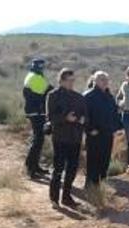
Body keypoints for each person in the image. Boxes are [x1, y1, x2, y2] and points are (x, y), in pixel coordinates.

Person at [46, 68, 87, 208]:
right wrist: (65, 118)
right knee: (58, 169)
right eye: (70, 80)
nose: (72, 83)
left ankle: (67, 197)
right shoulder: (53, 95)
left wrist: (82, 119)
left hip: (75, 138)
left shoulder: (79, 97)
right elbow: (51, 117)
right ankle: (54, 199)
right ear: (61, 80)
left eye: (73, 80)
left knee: (72, 169)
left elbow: (85, 115)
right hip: (60, 137)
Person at [83, 71, 123, 188]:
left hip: (108, 133)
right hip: (94, 134)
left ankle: (101, 184)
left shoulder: (109, 97)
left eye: (106, 79)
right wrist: (89, 129)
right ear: (94, 81)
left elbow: (114, 114)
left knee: (105, 159)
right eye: (101, 79)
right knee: (93, 160)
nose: (105, 82)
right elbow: (84, 116)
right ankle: (90, 186)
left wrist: (117, 127)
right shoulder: (88, 96)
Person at [22, 58, 53, 179]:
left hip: (36, 111)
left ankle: (34, 166)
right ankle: (31, 167)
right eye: (41, 66)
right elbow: (49, 90)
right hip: (36, 112)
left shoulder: (33, 75)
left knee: (38, 140)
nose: (42, 68)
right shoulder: (35, 77)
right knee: (38, 140)